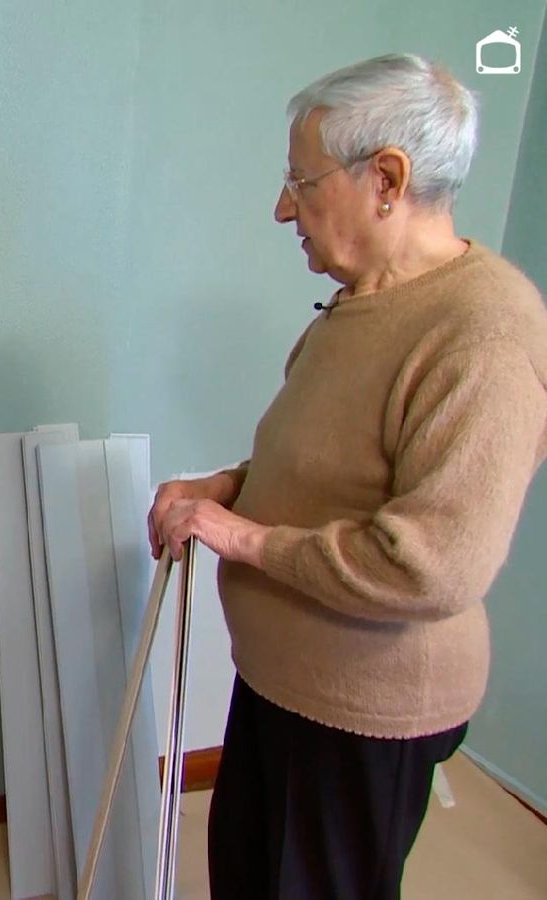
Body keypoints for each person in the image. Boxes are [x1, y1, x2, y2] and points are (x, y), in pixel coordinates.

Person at [149, 54, 547, 899]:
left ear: (388, 179)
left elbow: (431, 561)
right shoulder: (366, 300)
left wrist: (239, 537)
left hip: (359, 711)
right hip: (287, 687)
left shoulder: (484, 334)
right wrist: (227, 487)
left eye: (301, 179)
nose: (282, 206)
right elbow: (329, 466)